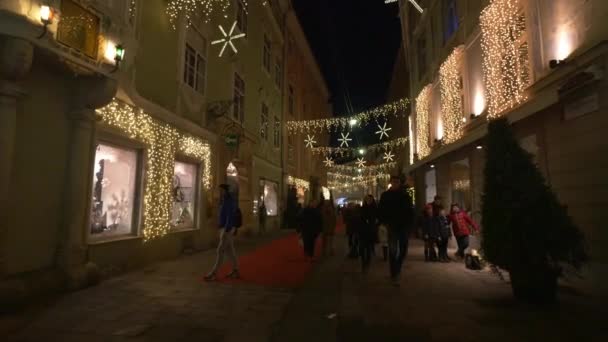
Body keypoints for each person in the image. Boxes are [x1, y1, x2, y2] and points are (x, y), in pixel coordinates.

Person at [378, 175, 415, 286]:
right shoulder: (385, 195)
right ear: (391, 183)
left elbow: (410, 211)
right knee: (393, 251)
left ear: (400, 183)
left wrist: (410, 225)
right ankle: (394, 273)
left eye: (397, 182)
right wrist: (384, 222)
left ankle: (397, 268)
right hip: (392, 227)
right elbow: (381, 210)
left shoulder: (405, 195)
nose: (395, 184)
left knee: (403, 251)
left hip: (403, 227)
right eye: (393, 182)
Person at [204, 184, 239, 281]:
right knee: (230, 251)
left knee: (220, 250)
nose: (219, 192)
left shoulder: (229, 200)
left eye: (221, 190)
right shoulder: (224, 200)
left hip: (227, 229)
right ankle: (235, 270)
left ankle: (214, 273)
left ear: (225, 190)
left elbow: (230, 215)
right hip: (224, 228)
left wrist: (226, 229)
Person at [360, 195, 378, 273]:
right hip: (363, 230)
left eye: (370, 199)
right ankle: (364, 261)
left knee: (368, 247)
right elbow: (360, 218)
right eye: (367, 199)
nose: (368, 200)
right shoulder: (363, 208)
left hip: (371, 230)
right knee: (362, 247)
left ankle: (367, 261)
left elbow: (376, 218)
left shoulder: (375, 208)